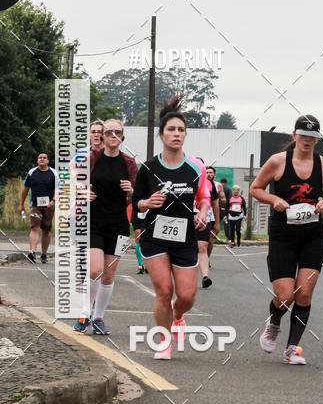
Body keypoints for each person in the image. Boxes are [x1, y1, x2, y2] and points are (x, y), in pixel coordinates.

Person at [251, 114, 323, 365]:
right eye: (303, 135)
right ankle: (274, 321)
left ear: (317, 140)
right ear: (294, 135)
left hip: (312, 237)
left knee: (304, 295)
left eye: (313, 137)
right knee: (285, 295)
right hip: (283, 237)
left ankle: (292, 348)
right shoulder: (277, 162)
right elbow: (255, 188)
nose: (307, 140)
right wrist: (274, 200)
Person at [132, 96, 210, 360]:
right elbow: (136, 202)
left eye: (181, 130)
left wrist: (201, 213)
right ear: (161, 134)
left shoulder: (195, 167)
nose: (176, 134)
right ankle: (163, 342)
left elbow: (204, 197)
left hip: (186, 236)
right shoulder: (148, 168)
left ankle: (179, 314)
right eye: (171, 130)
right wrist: (146, 202)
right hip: (154, 236)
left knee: (186, 296)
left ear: (185, 135)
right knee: (164, 290)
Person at [73, 119, 137, 335]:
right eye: (108, 131)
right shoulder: (91, 159)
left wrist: (131, 190)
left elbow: (137, 197)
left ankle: (99, 317)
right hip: (93, 222)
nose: (112, 135)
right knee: (94, 270)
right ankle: (84, 313)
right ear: (102, 136)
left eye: (117, 132)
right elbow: (74, 180)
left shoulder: (129, 163)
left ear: (122, 137)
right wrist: (81, 191)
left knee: (109, 275)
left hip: (118, 224)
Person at [18, 152, 61, 264]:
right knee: (35, 228)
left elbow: (58, 189)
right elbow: (25, 190)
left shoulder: (53, 173)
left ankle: (44, 254)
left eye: (44, 158)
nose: (42, 159)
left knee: (46, 230)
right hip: (35, 205)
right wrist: (21, 205)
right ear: (37, 160)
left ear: (48, 161)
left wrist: (54, 201)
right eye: (40, 158)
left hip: (49, 206)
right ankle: (32, 251)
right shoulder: (32, 172)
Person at [196, 160, 220, 287]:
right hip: (186, 219)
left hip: (204, 219)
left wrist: (217, 222)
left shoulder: (209, 184)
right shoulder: (185, 179)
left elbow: (215, 203)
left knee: (203, 246)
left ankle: (205, 277)